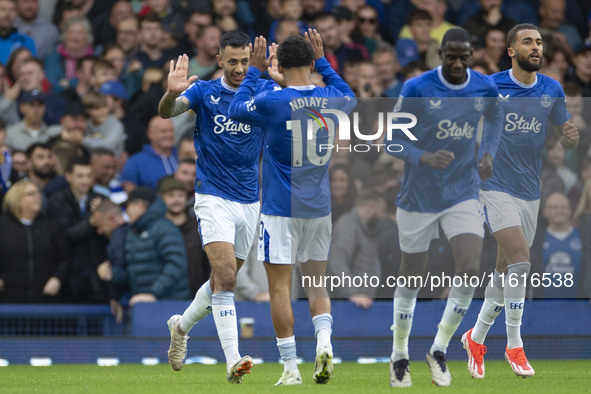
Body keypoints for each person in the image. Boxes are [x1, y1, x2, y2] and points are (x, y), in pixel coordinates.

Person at [229, 31, 355, 385]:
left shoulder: (271, 100)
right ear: (312, 63)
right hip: (318, 208)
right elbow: (349, 94)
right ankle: (325, 343)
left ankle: (290, 368)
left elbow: (237, 107)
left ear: (279, 66)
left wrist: (254, 70)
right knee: (317, 283)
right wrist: (325, 62)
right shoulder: (333, 99)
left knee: (280, 289)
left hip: (279, 209)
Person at [385, 28, 503, 387]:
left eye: (462, 57)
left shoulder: (483, 87)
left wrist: (488, 155)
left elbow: (496, 119)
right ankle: (399, 354)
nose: (455, 63)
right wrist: (423, 157)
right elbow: (392, 139)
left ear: (471, 55)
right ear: (439, 53)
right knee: (412, 275)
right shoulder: (417, 88)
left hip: (462, 192)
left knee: (469, 266)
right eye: (449, 57)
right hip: (418, 197)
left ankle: (439, 349)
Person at [158, 31, 277, 383]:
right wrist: (170, 93)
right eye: (233, 61)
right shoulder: (204, 92)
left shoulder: (262, 91)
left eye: (245, 61)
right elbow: (168, 112)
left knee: (219, 282)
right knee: (226, 277)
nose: (240, 68)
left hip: (249, 200)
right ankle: (233, 360)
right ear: (220, 60)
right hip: (212, 196)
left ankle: (180, 327)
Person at [461, 23, 579, 380]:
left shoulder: (552, 89)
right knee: (521, 261)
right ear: (511, 50)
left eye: (539, 42)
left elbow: (565, 136)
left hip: (531, 190)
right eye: (527, 42)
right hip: (493, 186)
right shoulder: (491, 86)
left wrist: (571, 137)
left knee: (504, 271)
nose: (536, 47)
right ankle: (514, 344)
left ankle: (475, 336)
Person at [0, 180, 69, 303]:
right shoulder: (2, 226)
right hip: (8, 300)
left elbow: (64, 257)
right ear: (17, 199)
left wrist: (57, 278)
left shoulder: (51, 226)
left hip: (44, 300)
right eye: (31, 194)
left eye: (38, 193)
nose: (37, 197)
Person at [119, 187, 190, 305]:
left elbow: (176, 264)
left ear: (139, 205)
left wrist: (153, 293)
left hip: (170, 304)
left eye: (128, 206)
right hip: (146, 306)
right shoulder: (134, 232)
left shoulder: (164, 228)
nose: (126, 211)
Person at [327, 189, 385, 309]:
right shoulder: (348, 226)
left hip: (357, 305)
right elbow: (338, 262)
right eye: (381, 212)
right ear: (371, 207)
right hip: (348, 306)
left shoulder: (358, 227)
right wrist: (353, 293)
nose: (381, 216)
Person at [120, 115, 178, 192]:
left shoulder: (182, 155)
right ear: (150, 134)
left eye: (171, 130)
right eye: (163, 131)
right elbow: (129, 192)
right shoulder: (134, 162)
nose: (168, 135)